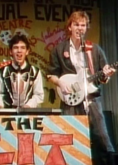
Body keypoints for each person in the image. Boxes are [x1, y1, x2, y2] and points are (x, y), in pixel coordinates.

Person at [46, 11, 116, 164]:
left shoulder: (94, 49)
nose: (80, 28)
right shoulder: (59, 49)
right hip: (70, 98)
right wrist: (60, 83)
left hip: (91, 98)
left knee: (102, 138)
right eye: (76, 24)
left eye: (83, 25)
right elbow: (51, 74)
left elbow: (103, 78)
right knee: (69, 136)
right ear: (69, 27)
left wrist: (106, 74)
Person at [0, 34, 44, 109]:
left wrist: (28, 106)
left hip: (28, 114)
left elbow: (38, 95)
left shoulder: (35, 71)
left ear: (27, 51)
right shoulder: (2, 71)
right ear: (10, 52)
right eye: (16, 48)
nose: (19, 51)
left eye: (22, 48)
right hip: (7, 113)